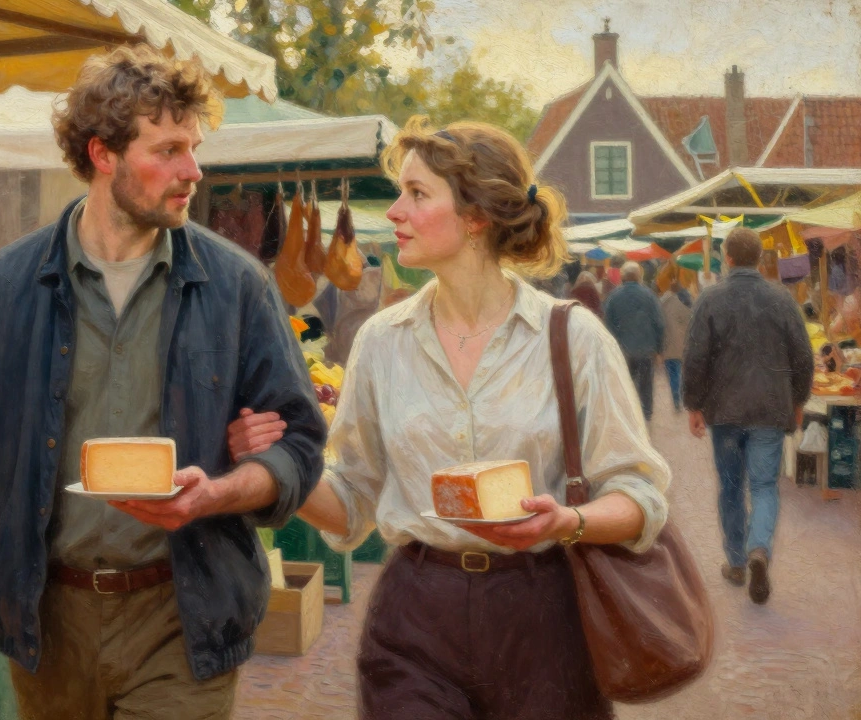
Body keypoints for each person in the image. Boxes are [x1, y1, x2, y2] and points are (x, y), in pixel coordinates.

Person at [0, 45, 327, 720]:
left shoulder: (238, 285)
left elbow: (299, 447)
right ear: (103, 155)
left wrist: (215, 494)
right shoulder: (4, 289)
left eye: (194, 147)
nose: (192, 171)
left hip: (181, 618)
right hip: (47, 624)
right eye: (167, 150)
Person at [228, 118, 670, 720]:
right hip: (414, 619)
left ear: (475, 216)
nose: (395, 214)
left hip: (544, 616)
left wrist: (565, 521)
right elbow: (354, 499)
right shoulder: (382, 340)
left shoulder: (572, 337)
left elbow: (639, 494)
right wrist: (277, 466)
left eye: (417, 194)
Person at [682, 227, 814, 605]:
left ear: (728, 258)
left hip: (724, 411)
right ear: (760, 259)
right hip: (771, 409)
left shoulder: (711, 299)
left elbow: (695, 357)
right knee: (764, 486)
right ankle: (759, 550)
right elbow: (803, 356)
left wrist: (694, 404)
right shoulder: (782, 299)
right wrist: (799, 399)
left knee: (730, 487)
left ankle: (737, 562)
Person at [603, 261, 665, 421]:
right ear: (639, 277)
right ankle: (646, 414)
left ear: (622, 277)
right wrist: (659, 349)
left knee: (625, 383)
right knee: (646, 384)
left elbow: (607, 325)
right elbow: (659, 323)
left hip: (623, 351)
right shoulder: (649, 296)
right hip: (646, 349)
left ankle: (627, 413)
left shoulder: (614, 297)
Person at [660, 281, 693, 412]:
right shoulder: (681, 305)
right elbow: (690, 321)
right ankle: (679, 397)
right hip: (680, 345)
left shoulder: (661, 303)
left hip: (666, 345)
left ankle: (676, 398)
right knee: (678, 371)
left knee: (672, 372)